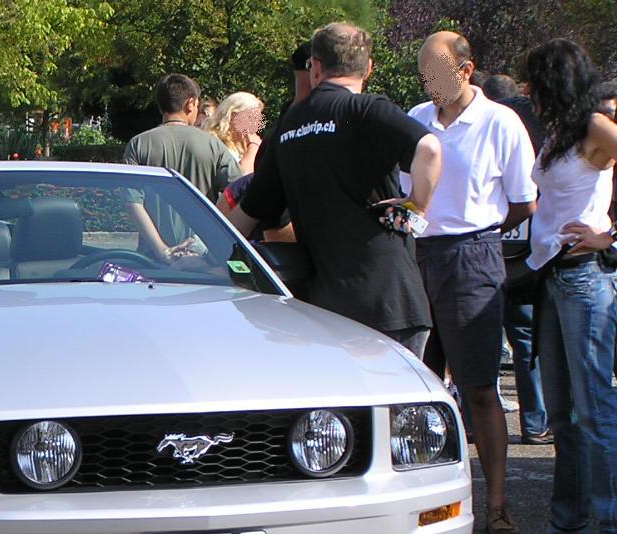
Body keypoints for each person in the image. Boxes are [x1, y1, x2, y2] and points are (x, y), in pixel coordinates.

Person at [230, 22, 442, 357]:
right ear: (368, 68)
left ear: (315, 66)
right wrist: (415, 207)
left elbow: (251, 210)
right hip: (388, 298)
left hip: (327, 307)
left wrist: (202, 254)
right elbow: (429, 149)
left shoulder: (287, 126)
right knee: (395, 406)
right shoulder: (367, 110)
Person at [408, 31, 537, 534]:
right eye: (425, 73)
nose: (431, 82)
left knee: (480, 387)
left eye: (438, 71)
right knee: (418, 386)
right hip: (418, 254)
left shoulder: (500, 122)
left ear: (466, 69)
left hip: (472, 254)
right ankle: (425, 506)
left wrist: (482, 235)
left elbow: (524, 201)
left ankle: (498, 504)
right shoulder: (417, 119)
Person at [517, 39, 617, 534]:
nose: (528, 92)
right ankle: (568, 526)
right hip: (553, 279)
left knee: (596, 409)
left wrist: (610, 238)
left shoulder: (598, 128)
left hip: (583, 279)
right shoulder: (560, 133)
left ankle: (611, 532)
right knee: (564, 413)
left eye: (534, 81)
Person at [484, 72, 551, 445]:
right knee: (524, 336)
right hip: (525, 254)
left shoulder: (491, 129)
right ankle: (536, 421)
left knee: (484, 339)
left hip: (485, 248)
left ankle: (478, 421)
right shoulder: (534, 132)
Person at [123, 74, 242, 259]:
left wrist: (163, 251)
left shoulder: (138, 144)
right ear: (190, 103)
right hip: (201, 257)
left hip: (151, 261)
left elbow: (132, 203)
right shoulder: (213, 146)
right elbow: (236, 196)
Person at [206, 92, 265, 174]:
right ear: (232, 116)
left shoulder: (244, 146)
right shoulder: (215, 143)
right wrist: (253, 147)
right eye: (250, 118)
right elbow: (239, 179)